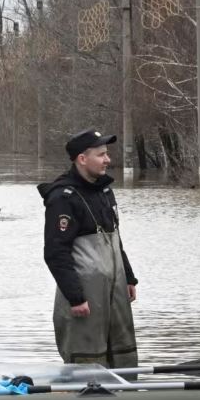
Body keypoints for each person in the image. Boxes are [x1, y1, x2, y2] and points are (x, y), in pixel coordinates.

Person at [37, 129, 139, 368]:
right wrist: (76, 298)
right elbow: (55, 253)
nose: (108, 160)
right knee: (87, 362)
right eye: (101, 155)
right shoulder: (63, 197)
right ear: (82, 159)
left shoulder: (104, 191)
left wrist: (129, 277)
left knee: (123, 356)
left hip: (114, 291)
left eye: (107, 154)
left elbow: (115, 239)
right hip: (84, 297)